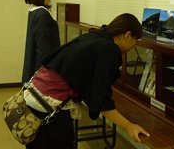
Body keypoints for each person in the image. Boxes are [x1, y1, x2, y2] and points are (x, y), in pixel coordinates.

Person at [24, 13, 150, 149]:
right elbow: (100, 101)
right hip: (48, 106)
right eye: (136, 40)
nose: (135, 45)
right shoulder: (110, 50)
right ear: (127, 35)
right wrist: (128, 126)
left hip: (33, 94)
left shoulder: (95, 36)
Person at [22, 0, 61, 84]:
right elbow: (44, 54)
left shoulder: (35, 9)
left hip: (36, 77)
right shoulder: (41, 14)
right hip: (40, 81)